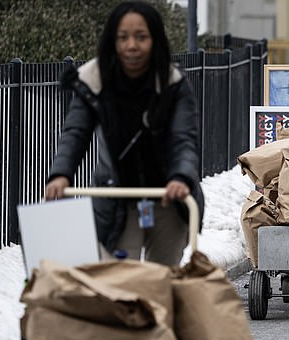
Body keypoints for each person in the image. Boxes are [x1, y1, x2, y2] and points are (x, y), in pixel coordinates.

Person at [44, 1, 204, 266]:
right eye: (123, 38)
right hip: (117, 198)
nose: (132, 46)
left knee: (161, 282)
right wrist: (61, 174)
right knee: (119, 282)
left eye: (141, 37)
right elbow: (75, 132)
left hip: (168, 198)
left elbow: (183, 139)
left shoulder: (174, 85)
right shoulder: (92, 81)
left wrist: (180, 177)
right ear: (112, 41)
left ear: (155, 40)